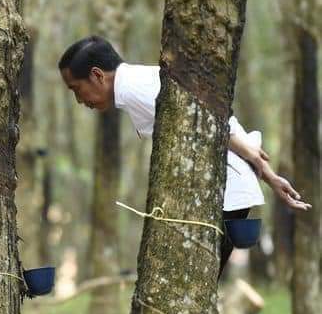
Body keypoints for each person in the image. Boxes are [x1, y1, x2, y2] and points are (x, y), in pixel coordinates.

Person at [58, 35, 311, 278]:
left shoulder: (136, 88)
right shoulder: (134, 84)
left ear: (97, 75)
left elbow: (210, 120)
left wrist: (263, 169)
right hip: (221, 189)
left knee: (192, 283)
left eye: (76, 89)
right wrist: (267, 174)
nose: (79, 100)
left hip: (224, 194)